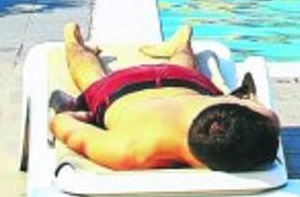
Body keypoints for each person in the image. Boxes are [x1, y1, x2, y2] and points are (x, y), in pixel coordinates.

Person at [49, 22, 280, 171]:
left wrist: (73, 114)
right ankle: (73, 41)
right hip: (121, 93)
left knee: (183, 68)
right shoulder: (131, 150)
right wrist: (80, 116)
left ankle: (74, 42)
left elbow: (59, 122)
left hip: (180, 81)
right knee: (91, 78)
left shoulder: (226, 110)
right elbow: (62, 124)